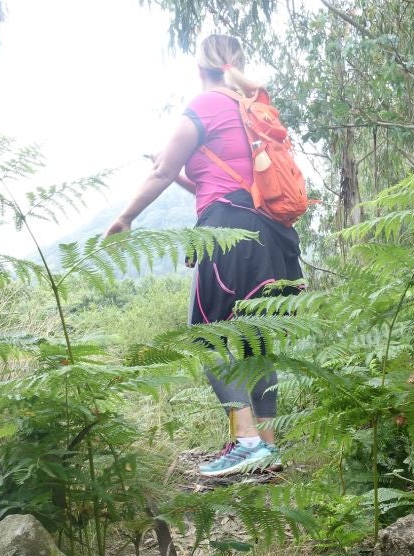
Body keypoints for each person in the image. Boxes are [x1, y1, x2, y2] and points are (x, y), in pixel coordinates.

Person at [105, 34, 302, 477]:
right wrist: (179, 176)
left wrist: (125, 218)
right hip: (273, 236)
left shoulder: (204, 105)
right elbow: (223, 181)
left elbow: (163, 170)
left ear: (200, 69)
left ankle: (246, 440)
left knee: (205, 337)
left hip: (227, 234)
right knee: (256, 341)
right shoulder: (252, 109)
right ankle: (268, 448)